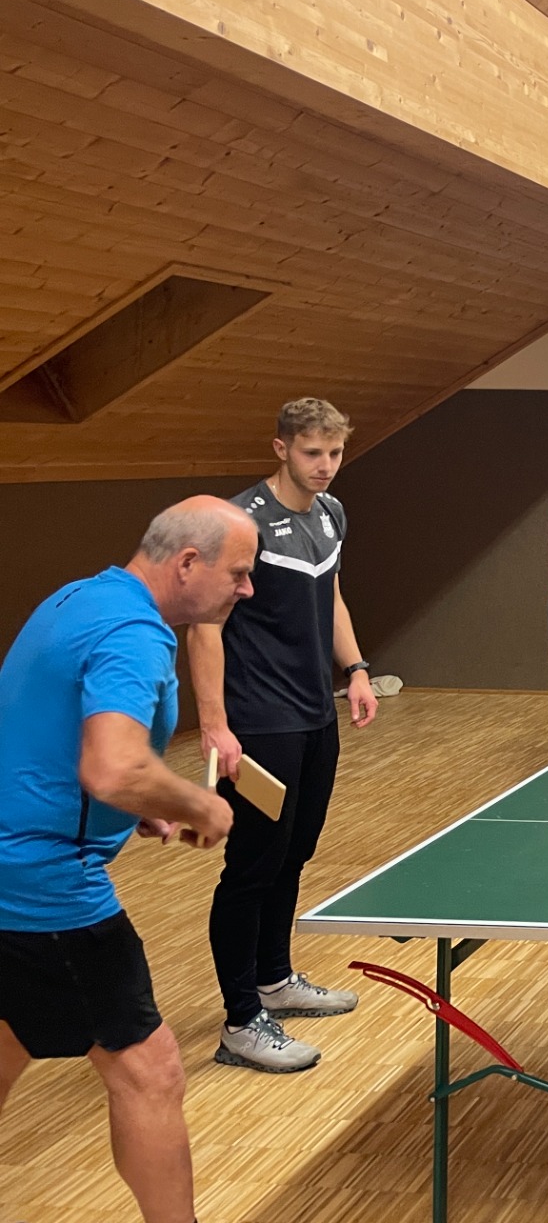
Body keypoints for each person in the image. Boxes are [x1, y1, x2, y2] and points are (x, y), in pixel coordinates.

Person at [1, 499, 249, 1223]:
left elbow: (44, 728)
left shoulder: (82, 597)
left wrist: (131, 805)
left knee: (9, 1041)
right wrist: (199, 804)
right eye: (238, 572)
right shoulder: (133, 634)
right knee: (150, 1071)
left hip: (13, 862)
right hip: (42, 884)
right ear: (188, 563)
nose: (247, 588)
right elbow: (112, 767)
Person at [189, 398, 380, 1073]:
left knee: (295, 852)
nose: (325, 465)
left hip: (315, 714)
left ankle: (275, 978)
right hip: (259, 721)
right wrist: (215, 725)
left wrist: (356, 669)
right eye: (311, 453)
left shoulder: (331, 514)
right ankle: (241, 1021)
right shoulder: (240, 524)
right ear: (281, 449)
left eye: (334, 453)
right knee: (252, 866)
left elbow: (332, 597)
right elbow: (205, 626)